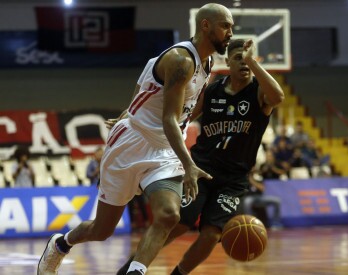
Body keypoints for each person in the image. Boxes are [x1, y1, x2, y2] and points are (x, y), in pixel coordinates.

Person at [38, 3, 233, 275]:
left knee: (168, 215)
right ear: (205, 26)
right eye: (226, 26)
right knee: (101, 230)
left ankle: (136, 272)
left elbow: (155, 95)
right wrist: (188, 163)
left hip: (164, 149)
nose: (230, 33)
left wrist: (129, 111)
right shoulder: (181, 61)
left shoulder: (208, 62)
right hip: (132, 144)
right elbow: (168, 119)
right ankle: (61, 244)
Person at [118, 37, 284, 275]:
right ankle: (131, 268)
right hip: (201, 168)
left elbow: (278, 98)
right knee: (177, 223)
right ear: (227, 62)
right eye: (238, 59)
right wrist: (134, 119)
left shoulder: (259, 92)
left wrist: (254, 63)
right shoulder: (213, 90)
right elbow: (180, 118)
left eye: (249, 60)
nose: (244, 64)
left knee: (211, 234)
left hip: (234, 179)